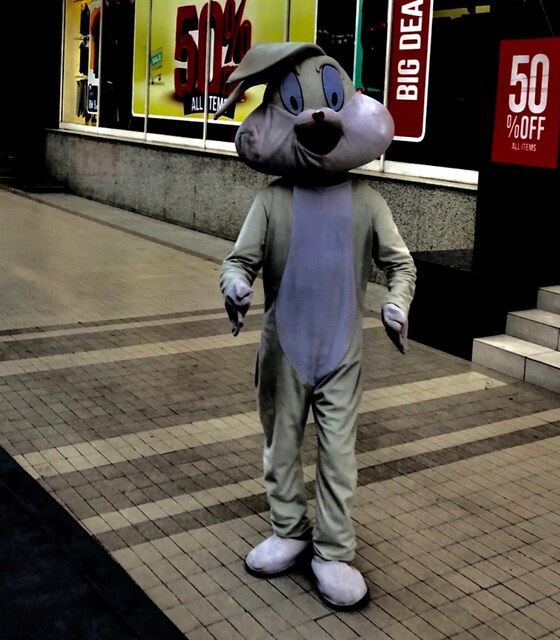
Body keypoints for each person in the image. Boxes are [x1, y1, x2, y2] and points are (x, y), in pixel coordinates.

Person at [215, 42, 416, 611]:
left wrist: (398, 302)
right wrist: (235, 284)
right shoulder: (272, 201)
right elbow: (239, 260)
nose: (318, 117)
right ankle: (288, 528)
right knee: (281, 444)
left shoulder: (367, 202)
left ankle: (333, 549)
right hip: (284, 351)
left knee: (338, 454)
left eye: (331, 101)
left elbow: (400, 264)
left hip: (342, 352)